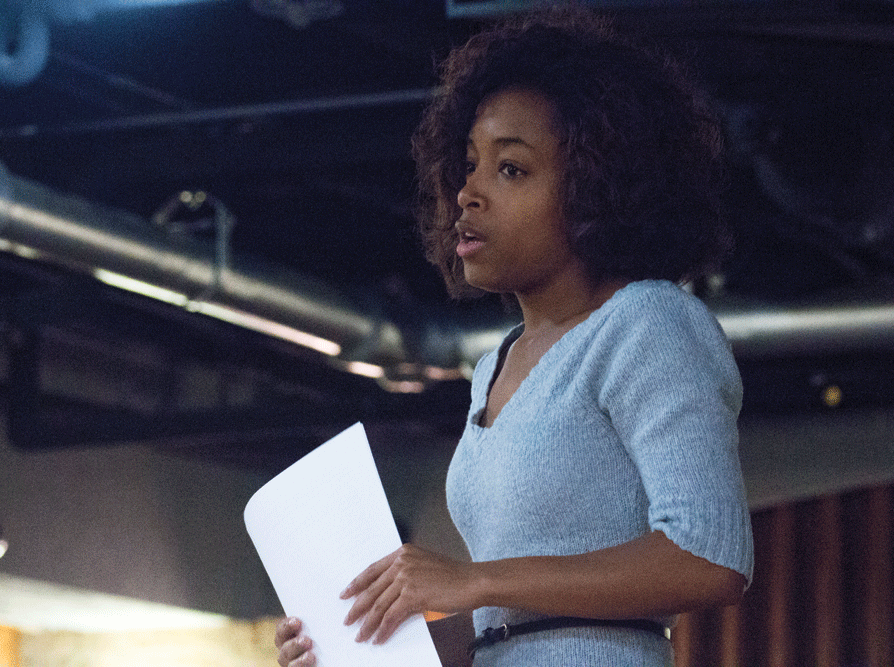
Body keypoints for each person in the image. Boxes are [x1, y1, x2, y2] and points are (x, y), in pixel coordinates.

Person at [276, 8, 753, 666]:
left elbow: (711, 555)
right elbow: (505, 627)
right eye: (469, 165)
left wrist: (475, 579)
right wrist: (361, 640)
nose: (468, 192)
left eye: (512, 169)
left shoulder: (647, 322)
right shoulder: (491, 366)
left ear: (595, 187)